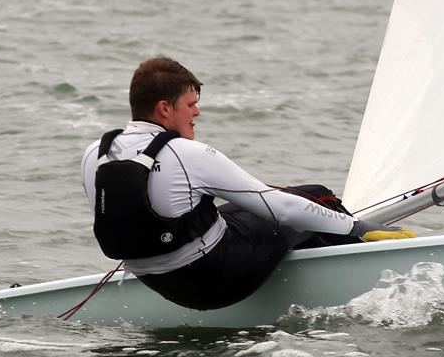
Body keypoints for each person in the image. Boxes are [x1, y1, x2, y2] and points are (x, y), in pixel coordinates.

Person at [81, 57, 415, 311]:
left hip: (161, 284)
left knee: (245, 212)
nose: (196, 113)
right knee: (314, 198)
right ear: (164, 108)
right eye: (191, 104)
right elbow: (281, 207)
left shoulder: (96, 154)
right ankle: (375, 292)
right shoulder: (187, 154)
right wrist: (359, 226)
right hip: (219, 279)